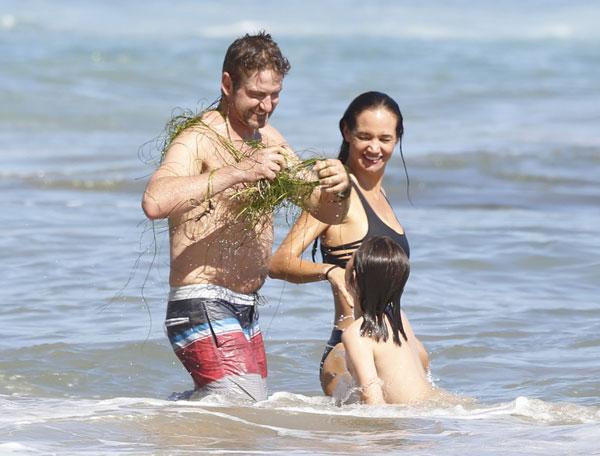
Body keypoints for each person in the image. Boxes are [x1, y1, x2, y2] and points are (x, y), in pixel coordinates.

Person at [141, 32, 350, 402]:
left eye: (275, 95)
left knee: (243, 416)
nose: (266, 106)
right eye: (256, 94)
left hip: (245, 308)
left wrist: (339, 188)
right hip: (199, 300)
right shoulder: (197, 138)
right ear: (226, 83)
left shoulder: (270, 140)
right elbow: (154, 202)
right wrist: (238, 172)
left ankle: (167, 424)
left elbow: (324, 210)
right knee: (243, 402)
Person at [269, 91, 428, 395]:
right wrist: (331, 272)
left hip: (392, 346)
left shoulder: (382, 198)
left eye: (384, 138)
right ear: (346, 131)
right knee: (363, 439)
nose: (374, 147)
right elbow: (278, 262)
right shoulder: (337, 197)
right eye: (364, 136)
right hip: (348, 348)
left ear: (397, 139)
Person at [341, 236, 440, 405]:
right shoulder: (398, 317)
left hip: (415, 413)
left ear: (354, 278)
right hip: (437, 402)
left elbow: (370, 395)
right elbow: (423, 359)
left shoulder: (357, 334)